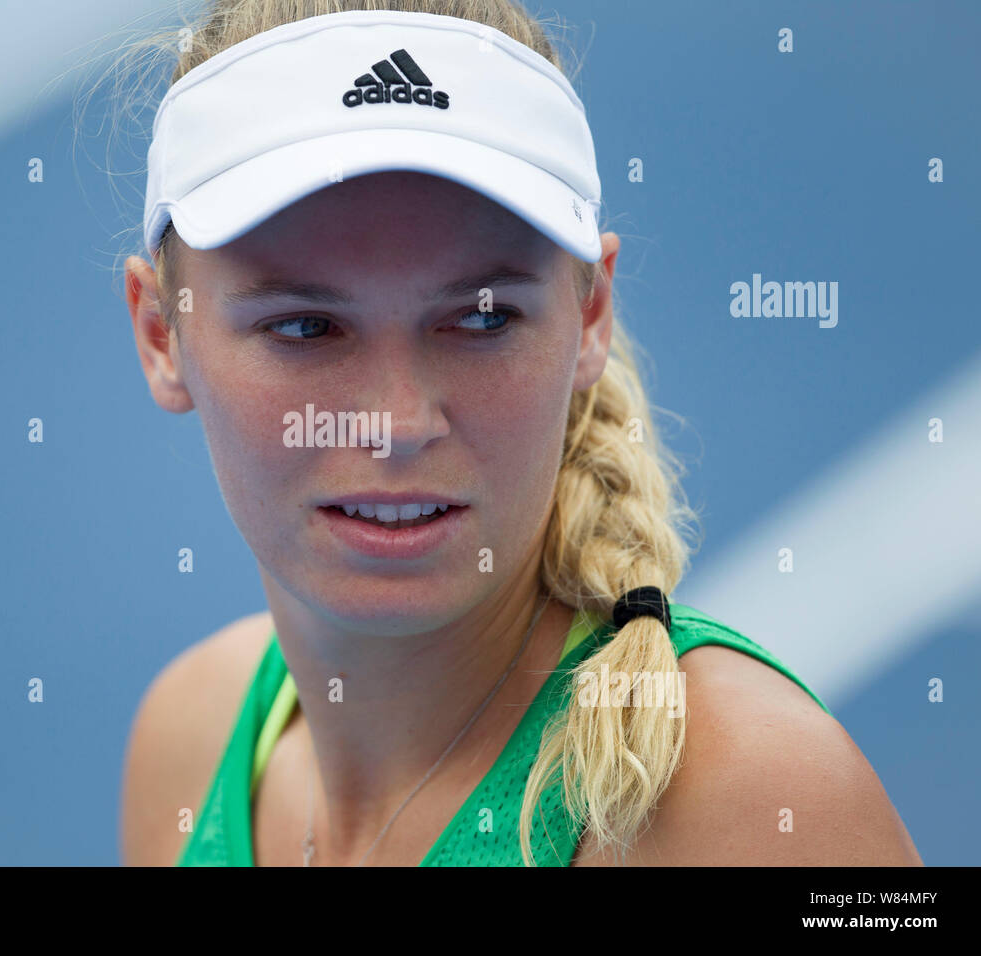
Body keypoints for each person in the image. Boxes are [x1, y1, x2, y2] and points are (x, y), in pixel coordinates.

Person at [113, 1, 921, 866]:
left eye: (482, 318)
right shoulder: (189, 745)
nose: (397, 424)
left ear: (593, 315)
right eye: (307, 327)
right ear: (163, 335)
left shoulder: (756, 805)